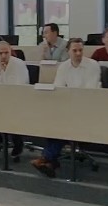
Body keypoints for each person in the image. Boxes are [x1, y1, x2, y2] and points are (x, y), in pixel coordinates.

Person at [31, 38, 100, 178]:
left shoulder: (92, 65)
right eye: (75, 50)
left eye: (80, 50)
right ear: (68, 51)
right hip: (68, 108)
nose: (78, 53)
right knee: (53, 119)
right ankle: (50, 161)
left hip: (88, 109)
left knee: (63, 122)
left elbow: (89, 93)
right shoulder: (63, 67)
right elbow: (59, 89)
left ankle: (47, 158)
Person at [0, 40, 29, 157]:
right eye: (1, 53)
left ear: (11, 51)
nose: (4, 56)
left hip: (17, 100)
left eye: (6, 52)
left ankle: (18, 144)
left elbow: (21, 86)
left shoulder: (19, 64)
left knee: (12, 112)